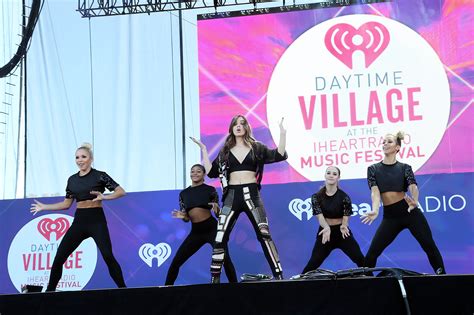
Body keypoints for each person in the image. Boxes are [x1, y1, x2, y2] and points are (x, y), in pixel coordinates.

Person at [191, 114, 287, 283]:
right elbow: (212, 172)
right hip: (232, 196)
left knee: (264, 234)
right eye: (235, 123)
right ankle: (215, 279)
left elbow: (278, 155)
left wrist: (282, 132)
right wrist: (204, 150)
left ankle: (279, 275)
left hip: (252, 194)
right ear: (232, 128)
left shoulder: (257, 147)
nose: (239, 126)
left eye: (242, 123)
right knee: (220, 237)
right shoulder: (225, 152)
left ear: (246, 127)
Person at [30, 143, 127, 291]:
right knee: (58, 259)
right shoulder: (72, 180)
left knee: (108, 256)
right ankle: (49, 292)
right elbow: (66, 204)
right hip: (80, 221)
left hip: (96, 220)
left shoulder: (100, 175)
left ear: (91, 159)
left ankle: (124, 290)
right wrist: (44, 207)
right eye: (77, 157)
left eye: (83, 157)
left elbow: (121, 191)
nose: (80, 160)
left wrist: (105, 197)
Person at [361, 132, 445, 274]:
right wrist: (375, 209)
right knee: (372, 253)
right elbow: (375, 192)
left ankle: (442, 276)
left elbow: (412, 185)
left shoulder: (405, 167)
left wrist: (415, 201)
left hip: (409, 212)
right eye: (384, 142)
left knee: (429, 245)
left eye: (389, 142)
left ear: (397, 147)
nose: (385, 144)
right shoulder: (373, 169)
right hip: (390, 217)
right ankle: (366, 282)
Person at [165, 164, 238, 285]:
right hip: (196, 232)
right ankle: (166, 289)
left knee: (225, 259)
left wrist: (217, 211)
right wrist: (183, 216)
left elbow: (218, 213)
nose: (195, 173)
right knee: (176, 262)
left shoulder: (210, 190)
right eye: (192, 171)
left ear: (204, 175)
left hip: (212, 229)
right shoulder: (184, 193)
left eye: (198, 171)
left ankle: (236, 289)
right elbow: (187, 219)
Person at [302, 166, 364, 273]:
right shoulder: (316, 197)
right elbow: (319, 215)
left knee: (360, 260)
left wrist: (344, 225)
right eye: (329, 173)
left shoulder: (344, 197)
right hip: (325, 232)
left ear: (338, 178)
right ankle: (299, 286)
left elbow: (346, 215)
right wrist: (326, 227)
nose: (331, 175)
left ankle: (373, 282)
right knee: (312, 264)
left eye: (334, 174)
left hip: (342, 233)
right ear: (325, 175)